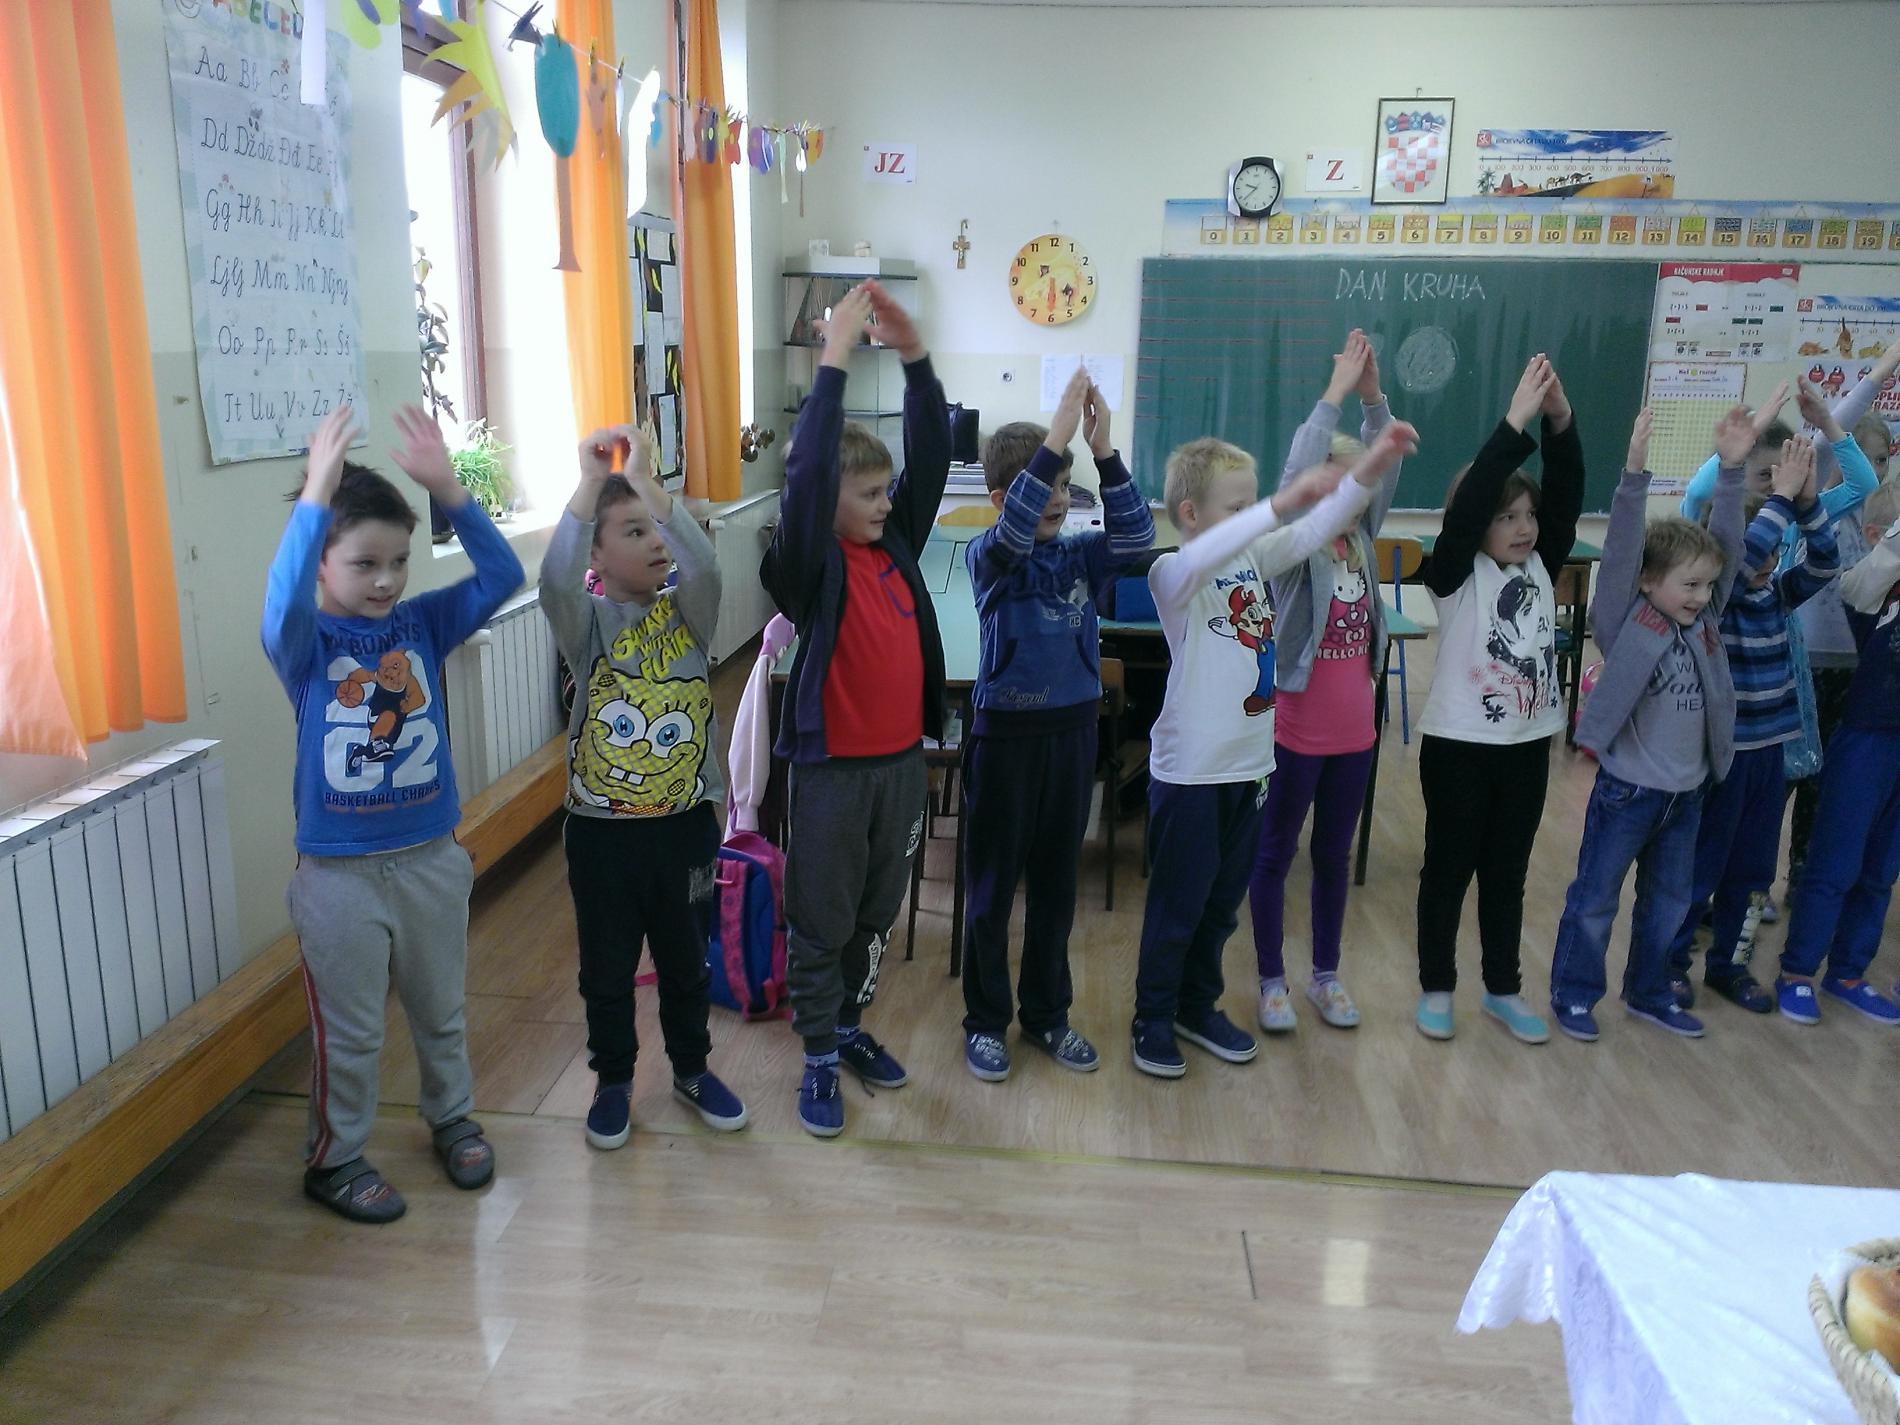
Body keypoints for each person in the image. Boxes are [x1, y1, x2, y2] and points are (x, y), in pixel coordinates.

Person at [262, 403, 524, 1223]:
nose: (385, 580)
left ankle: (452, 1117)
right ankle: (335, 1159)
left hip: (430, 860)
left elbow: (500, 577)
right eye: (364, 563)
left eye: (399, 561)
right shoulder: (305, 646)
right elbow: (280, 605)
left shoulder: (421, 622)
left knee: (441, 1012)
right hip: (338, 878)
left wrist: (450, 491)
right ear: (322, 564)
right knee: (353, 1034)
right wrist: (315, 497)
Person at [1129, 419, 1419, 1078]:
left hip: (1251, 769)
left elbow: (1316, 531)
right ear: (1190, 514)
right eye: (1238, 508)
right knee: (1178, 907)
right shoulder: (1174, 573)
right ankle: (1152, 1017)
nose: (1253, 518)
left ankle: (1195, 1006)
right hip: (1192, 776)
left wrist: (1367, 472)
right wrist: (1278, 506)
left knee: (1218, 908)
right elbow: (1226, 545)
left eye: (1254, 503)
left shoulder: (1254, 562)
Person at [761, 281, 951, 1137]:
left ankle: (845, 1026)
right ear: (828, 502)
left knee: (875, 913)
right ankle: (815, 1054)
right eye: (869, 493)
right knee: (823, 918)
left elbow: (932, 454)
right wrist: (833, 358)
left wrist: (914, 358)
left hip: (900, 768)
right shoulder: (810, 564)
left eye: (886, 492)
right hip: (833, 774)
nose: (885, 504)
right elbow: (805, 474)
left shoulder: (894, 542)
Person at [540, 426, 749, 1151]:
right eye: (634, 531)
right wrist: (587, 486)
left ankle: (691, 1068)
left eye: (657, 527)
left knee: (686, 961)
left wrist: (654, 488)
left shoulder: (690, 615)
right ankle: (614, 1080)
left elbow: (705, 565)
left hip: (684, 828)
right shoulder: (588, 624)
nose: (656, 540)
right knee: (606, 968)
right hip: (601, 835)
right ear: (596, 558)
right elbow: (553, 582)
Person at [959, 366, 1154, 1081]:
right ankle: (986, 1022)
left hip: (1072, 736)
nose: (1057, 499)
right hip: (1006, 742)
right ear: (1000, 498)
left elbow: (1137, 538)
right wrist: (1057, 436)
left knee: (1055, 890)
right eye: (1043, 487)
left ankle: (1046, 1015)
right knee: (991, 891)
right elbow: (1013, 533)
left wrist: (1103, 453)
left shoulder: (1078, 552)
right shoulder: (989, 556)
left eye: (1066, 487)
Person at [1548, 407, 1747, 1042]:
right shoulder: (1626, 621)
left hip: (1686, 797)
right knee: (1596, 899)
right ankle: (1574, 994)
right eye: (1689, 585)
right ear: (1648, 582)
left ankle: (1649, 992)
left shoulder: (1705, 621)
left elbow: (1728, 549)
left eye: (1707, 586)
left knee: (1668, 905)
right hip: (1628, 793)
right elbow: (1619, 552)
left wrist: (1733, 472)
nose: (1701, 596)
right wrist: (1634, 474)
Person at [1411, 356, 1582, 1045]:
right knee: (1448, 870)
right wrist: (1515, 422)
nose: (1524, 527)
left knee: (1507, 874)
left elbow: (1566, 494)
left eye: (1528, 516)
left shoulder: (1541, 565)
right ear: (1477, 521)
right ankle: (1437, 986)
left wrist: (1559, 420)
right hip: (1458, 748)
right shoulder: (1454, 573)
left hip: (1526, 748)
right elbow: (1471, 506)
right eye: (1506, 517)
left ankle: (1502, 989)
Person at [1249, 329, 1402, 1034]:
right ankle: (1271, 979)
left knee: (1333, 857)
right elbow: (1295, 476)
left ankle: (1325, 975)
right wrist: (1335, 395)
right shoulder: (1291, 552)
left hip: (1354, 735)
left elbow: (1382, 465)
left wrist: (1374, 401)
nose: (1348, 491)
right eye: (1333, 481)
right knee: (1276, 853)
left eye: (1355, 483)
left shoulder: (1363, 540)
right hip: (1296, 731)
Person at [1663, 436, 1835, 1012]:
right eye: (1753, 551)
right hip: (1725, 756)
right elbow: (1739, 562)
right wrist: (1779, 499)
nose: (1765, 560)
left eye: (1771, 551)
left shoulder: (1775, 594)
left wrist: (1805, 504)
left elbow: (1825, 561)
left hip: (1769, 757)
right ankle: (1670, 963)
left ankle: (1728, 966)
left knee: (1755, 872)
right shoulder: (1721, 602)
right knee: (1702, 865)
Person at [1776, 481, 1900, 1028]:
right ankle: (1798, 971)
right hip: (1866, 741)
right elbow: (1871, 573)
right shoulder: (1873, 589)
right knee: (1835, 862)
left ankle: (1848, 972)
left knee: (1881, 870)